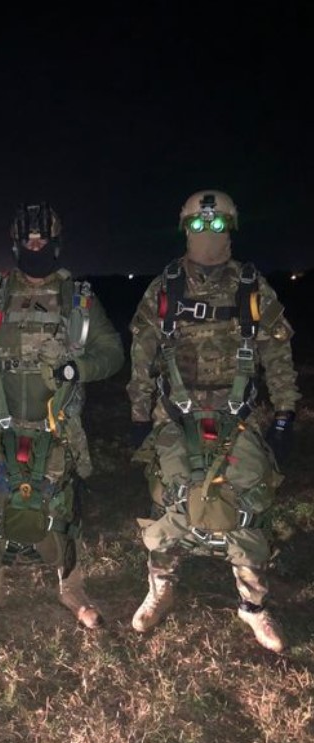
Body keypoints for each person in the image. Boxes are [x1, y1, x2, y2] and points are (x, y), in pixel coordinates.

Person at [126, 190, 300, 652]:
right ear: (185, 229)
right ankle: (161, 587)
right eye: (199, 225)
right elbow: (142, 354)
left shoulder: (252, 286)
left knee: (247, 498)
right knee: (170, 494)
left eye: (218, 224)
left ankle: (253, 604)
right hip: (174, 413)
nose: (208, 232)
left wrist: (285, 412)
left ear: (232, 229)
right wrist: (139, 413)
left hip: (238, 412)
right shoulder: (164, 287)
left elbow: (278, 354)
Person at [0, 202, 124, 630]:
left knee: (62, 504)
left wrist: (77, 369)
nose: (35, 247)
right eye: (27, 241)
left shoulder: (78, 299)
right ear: (15, 245)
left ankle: (71, 588)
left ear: (56, 245)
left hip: (57, 425)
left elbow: (113, 353)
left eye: (42, 241)